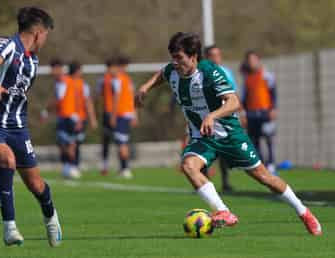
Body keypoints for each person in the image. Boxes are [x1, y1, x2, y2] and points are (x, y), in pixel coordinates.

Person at [135, 32, 322, 235]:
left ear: (193, 56)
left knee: (264, 177)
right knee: (189, 166)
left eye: (179, 58)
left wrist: (212, 116)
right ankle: (224, 212)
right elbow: (163, 73)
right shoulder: (173, 70)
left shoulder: (210, 72)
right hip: (202, 137)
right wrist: (146, 87)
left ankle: (304, 212)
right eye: (173, 57)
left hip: (229, 135)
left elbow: (234, 102)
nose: (175, 62)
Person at [0, 7, 62, 246]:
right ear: (38, 33)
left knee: (36, 184)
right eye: (47, 35)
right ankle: (9, 228)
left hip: (17, 127)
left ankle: (51, 217)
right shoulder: (8, 44)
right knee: (7, 160)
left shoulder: (33, 61)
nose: (46, 40)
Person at [203, 45, 236, 192]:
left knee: (224, 153)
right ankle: (204, 184)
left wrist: (241, 114)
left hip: (224, 118)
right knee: (204, 149)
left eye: (218, 55)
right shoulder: (201, 73)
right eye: (212, 55)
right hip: (206, 118)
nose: (216, 58)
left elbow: (233, 96)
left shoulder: (226, 72)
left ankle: (225, 182)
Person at [240, 51, 277, 174]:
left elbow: (273, 93)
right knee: (255, 139)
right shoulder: (246, 78)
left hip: (265, 111)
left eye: (254, 60)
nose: (252, 63)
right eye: (249, 60)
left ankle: (271, 163)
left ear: (258, 60)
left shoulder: (267, 75)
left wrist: (273, 108)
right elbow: (244, 98)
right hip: (251, 113)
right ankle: (261, 164)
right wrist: (243, 113)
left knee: (268, 137)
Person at [111, 56, 138, 178]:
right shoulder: (128, 79)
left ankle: (125, 168)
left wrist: (113, 115)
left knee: (121, 143)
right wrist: (134, 115)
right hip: (128, 114)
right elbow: (133, 98)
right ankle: (124, 169)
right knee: (124, 142)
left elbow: (116, 98)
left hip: (121, 114)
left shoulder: (118, 79)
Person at [70, 61, 98, 173]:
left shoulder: (82, 84)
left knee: (77, 142)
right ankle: (71, 165)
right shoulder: (68, 83)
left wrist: (92, 119)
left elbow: (87, 102)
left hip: (79, 117)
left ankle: (74, 165)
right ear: (77, 71)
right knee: (71, 142)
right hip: (73, 117)